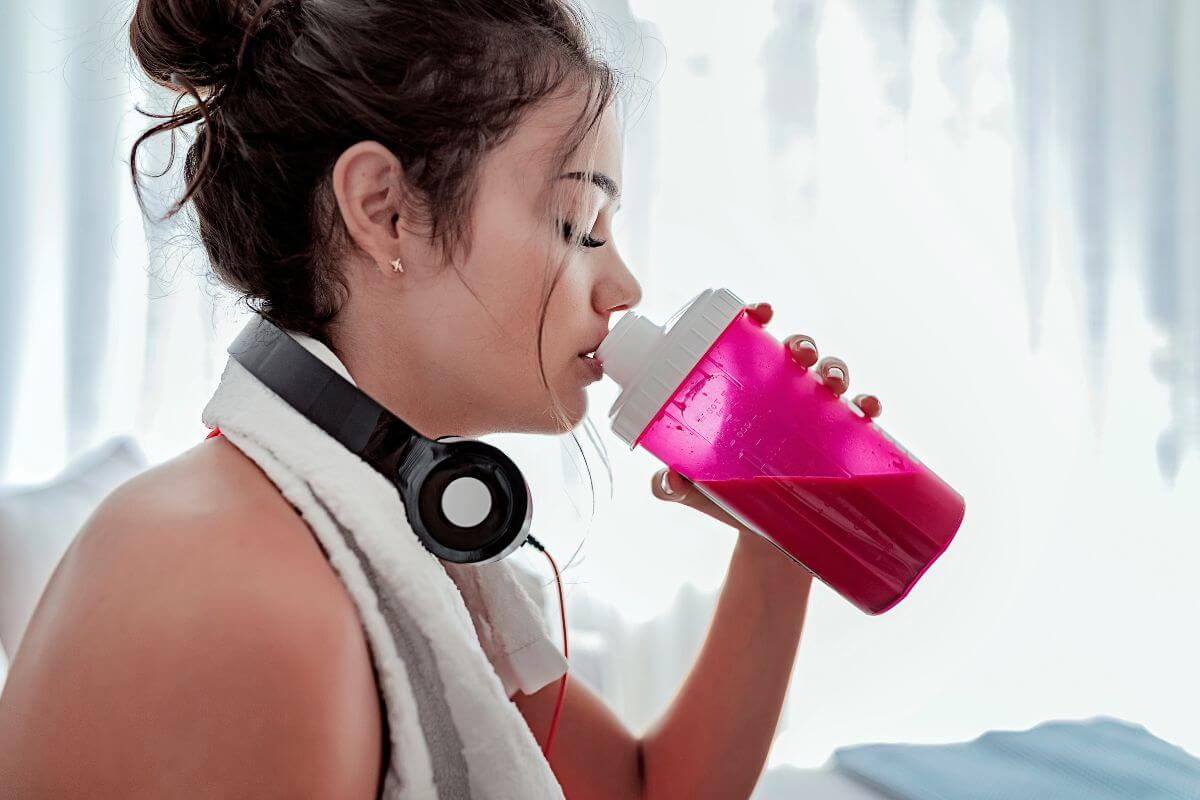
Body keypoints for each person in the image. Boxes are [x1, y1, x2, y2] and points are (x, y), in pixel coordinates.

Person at [0, 0, 881, 797]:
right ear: (384, 210)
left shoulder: (396, 525)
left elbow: (641, 793)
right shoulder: (245, 605)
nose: (624, 286)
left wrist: (784, 538)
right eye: (578, 226)